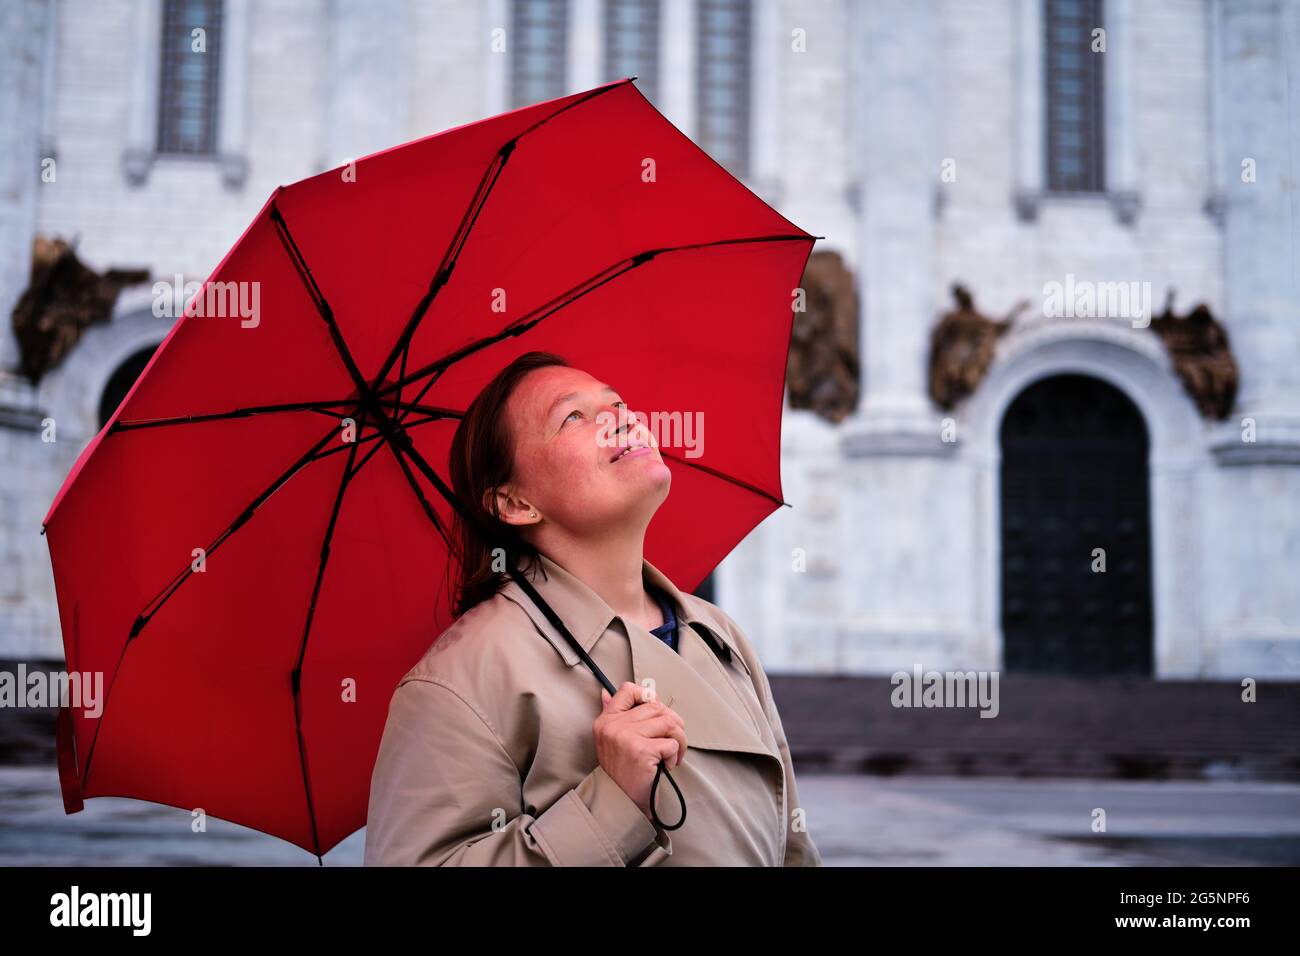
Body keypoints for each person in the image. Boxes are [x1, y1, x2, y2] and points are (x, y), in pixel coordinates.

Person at [363, 350, 822, 866]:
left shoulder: (719, 634)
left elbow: (793, 848)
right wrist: (611, 804)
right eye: (573, 417)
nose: (620, 419)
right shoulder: (462, 678)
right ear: (515, 504)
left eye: (618, 403)